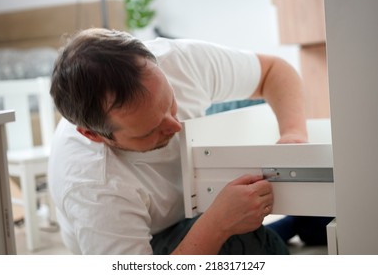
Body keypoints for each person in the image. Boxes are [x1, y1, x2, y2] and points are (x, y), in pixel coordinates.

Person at [48, 28, 308, 255]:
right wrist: (217, 224)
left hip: (190, 196)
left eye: (170, 103)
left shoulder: (177, 60)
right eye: (149, 130)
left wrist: (294, 135)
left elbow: (274, 71)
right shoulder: (93, 186)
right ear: (94, 136)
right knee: (248, 247)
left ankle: (294, 224)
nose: (175, 126)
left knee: (260, 107)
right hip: (154, 235)